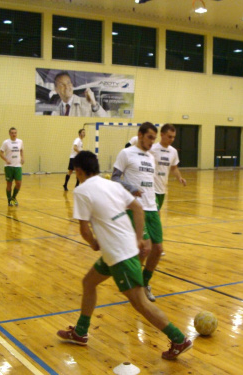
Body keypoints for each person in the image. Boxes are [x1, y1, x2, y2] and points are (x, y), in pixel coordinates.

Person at [56, 151, 192, 360]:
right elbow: (138, 209)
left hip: (119, 255)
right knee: (89, 282)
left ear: (78, 170)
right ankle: (81, 332)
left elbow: (84, 230)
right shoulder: (112, 184)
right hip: (119, 251)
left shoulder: (82, 191)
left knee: (140, 302)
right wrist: (138, 238)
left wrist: (93, 243)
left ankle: (178, 339)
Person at [112, 122, 163, 302]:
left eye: (154, 139)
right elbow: (115, 178)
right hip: (136, 208)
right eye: (149, 137)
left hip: (152, 207)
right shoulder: (126, 153)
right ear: (140, 135)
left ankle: (144, 283)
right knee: (145, 248)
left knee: (157, 249)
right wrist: (131, 187)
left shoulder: (150, 157)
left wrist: (155, 204)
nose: (152, 142)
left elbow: (150, 182)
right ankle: (136, 287)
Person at [150, 124, 187, 211]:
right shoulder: (152, 149)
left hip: (162, 189)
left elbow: (174, 168)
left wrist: (179, 177)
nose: (172, 139)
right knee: (155, 213)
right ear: (162, 135)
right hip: (151, 188)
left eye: (173, 137)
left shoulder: (173, 151)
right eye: (169, 137)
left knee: (155, 213)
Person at [0, 127, 24, 207]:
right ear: (9, 134)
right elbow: (1, 153)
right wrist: (6, 159)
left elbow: (21, 150)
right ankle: (9, 200)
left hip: (18, 166)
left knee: (19, 183)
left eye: (15, 133)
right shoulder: (6, 142)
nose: (14, 134)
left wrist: (22, 157)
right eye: (12, 133)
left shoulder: (20, 141)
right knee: (9, 184)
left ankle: (13, 198)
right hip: (9, 167)